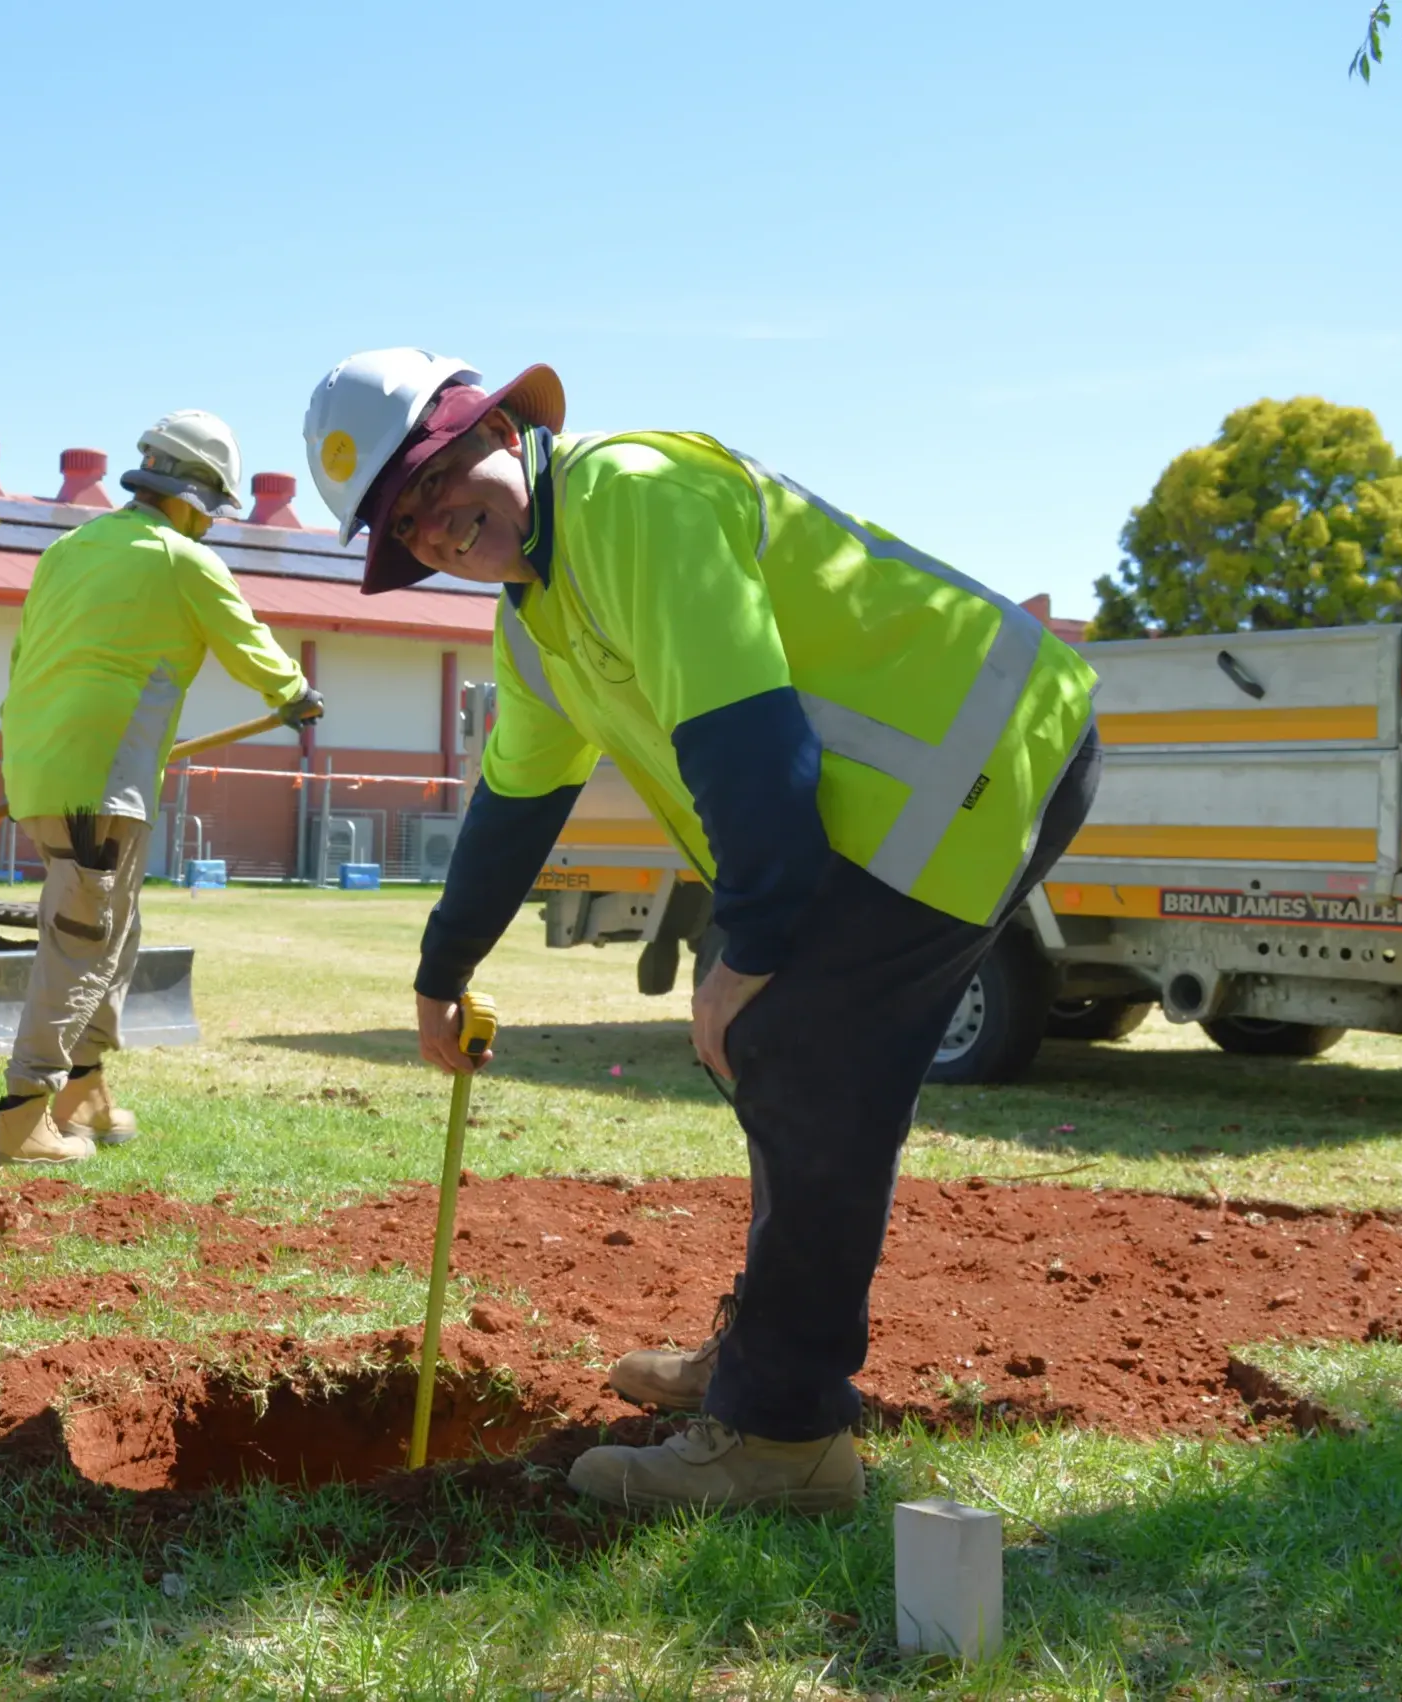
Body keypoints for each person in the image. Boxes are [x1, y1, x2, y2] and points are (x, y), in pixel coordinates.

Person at [303, 349, 1101, 1512]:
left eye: (433, 480)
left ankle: (783, 1435)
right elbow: (516, 802)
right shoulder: (533, 623)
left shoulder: (632, 496)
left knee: (792, 1046)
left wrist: (753, 951)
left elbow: (748, 739)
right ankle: (767, 1363)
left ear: (496, 430)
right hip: (908, 809)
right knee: (786, 1063)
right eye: (401, 522)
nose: (432, 525)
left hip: (986, 760)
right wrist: (443, 968)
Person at [0, 410, 323, 1166]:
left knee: (115, 935)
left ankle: (83, 1092)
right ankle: (21, 1118)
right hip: (96, 782)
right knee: (81, 946)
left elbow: (24, 657)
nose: (209, 527)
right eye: (209, 511)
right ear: (191, 497)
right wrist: (296, 692)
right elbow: (247, 643)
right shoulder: (181, 560)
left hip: (52, 771)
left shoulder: (68, 549)